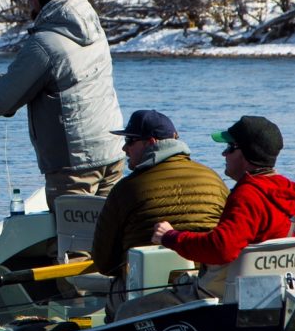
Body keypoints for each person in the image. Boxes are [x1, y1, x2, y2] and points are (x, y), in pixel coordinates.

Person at [0, 0, 126, 206]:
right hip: (112, 152)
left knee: (73, 240)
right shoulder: (93, 30)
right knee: (105, 237)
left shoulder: (45, 43)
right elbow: (59, 75)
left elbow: (3, 101)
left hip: (74, 164)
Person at [87, 109, 226, 278]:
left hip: (145, 291)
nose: (124, 148)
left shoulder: (126, 189)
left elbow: (104, 262)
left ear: (151, 142)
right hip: (206, 284)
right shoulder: (214, 179)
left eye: (130, 140)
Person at [152, 115, 295, 266]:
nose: (224, 153)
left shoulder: (249, 194)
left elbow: (221, 248)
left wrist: (170, 237)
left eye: (230, 147)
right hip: (282, 285)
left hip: (241, 289)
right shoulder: (291, 192)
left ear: (247, 153)